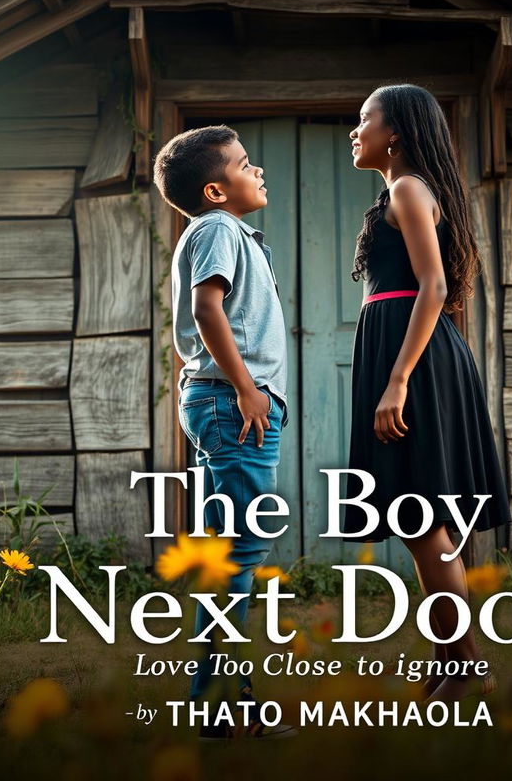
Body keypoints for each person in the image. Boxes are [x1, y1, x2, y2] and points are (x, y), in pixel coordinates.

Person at [345, 83, 512, 701]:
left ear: (397, 133)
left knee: (420, 517)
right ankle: (448, 666)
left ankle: (470, 669)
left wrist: (397, 380)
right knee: (427, 514)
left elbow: (434, 287)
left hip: (412, 358)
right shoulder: (403, 191)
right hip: (407, 349)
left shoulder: (409, 188)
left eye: (366, 120)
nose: (355, 130)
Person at [153, 125, 296, 739]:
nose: (256, 169)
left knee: (227, 550)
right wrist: (246, 388)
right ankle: (220, 708)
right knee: (242, 548)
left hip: (223, 403)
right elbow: (206, 308)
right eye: (244, 164)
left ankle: (221, 698)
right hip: (231, 405)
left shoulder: (229, 231)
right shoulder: (215, 229)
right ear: (215, 189)